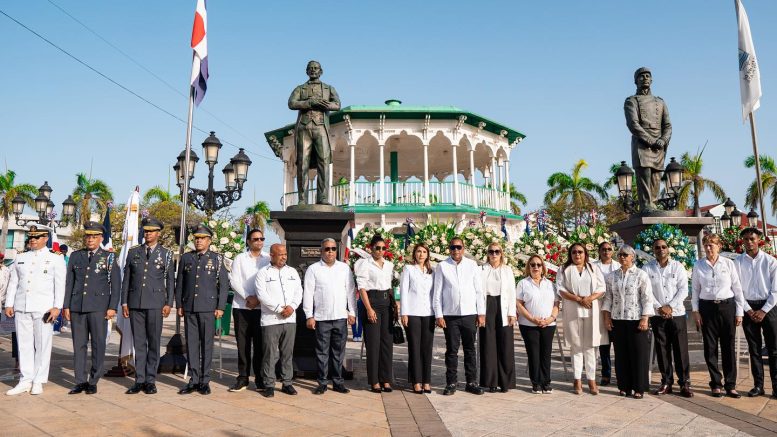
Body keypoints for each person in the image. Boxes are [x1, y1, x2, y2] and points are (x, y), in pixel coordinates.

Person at [4, 225, 65, 395]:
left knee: (42, 344)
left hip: (44, 308)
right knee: (24, 345)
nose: (33, 240)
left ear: (45, 238)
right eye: (30, 237)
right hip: (22, 306)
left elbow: (60, 285)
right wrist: (9, 303)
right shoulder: (21, 257)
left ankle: (38, 380)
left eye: (36, 237)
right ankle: (25, 380)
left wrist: (57, 307)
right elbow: (14, 283)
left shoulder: (55, 258)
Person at [63, 221, 121, 395]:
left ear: (101, 238)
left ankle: (93, 380)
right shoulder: (76, 256)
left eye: (94, 236)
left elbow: (116, 285)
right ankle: (80, 381)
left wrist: (112, 307)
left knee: (98, 345)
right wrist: (66, 305)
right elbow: (69, 282)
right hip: (77, 307)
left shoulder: (109, 257)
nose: (90, 239)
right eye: (88, 236)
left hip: (99, 308)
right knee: (79, 345)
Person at [120, 217, 175, 395]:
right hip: (136, 303)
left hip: (156, 304)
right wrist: (124, 301)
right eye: (146, 231)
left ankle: (150, 380)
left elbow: (170, 281)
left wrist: (169, 303)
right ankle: (139, 380)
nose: (148, 234)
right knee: (139, 343)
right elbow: (127, 279)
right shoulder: (134, 252)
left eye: (152, 231)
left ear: (158, 233)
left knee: (153, 342)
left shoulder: (166, 254)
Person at [175, 224, 229, 395]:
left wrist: (220, 307)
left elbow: (224, 285)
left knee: (206, 345)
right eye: (197, 238)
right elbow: (180, 283)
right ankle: (194, 379)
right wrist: (179, 305)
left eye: (202, 238)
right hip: (190, 307)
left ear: (209, 240)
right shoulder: (186, 258)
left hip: (208, 308)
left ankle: (205, 380)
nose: (199, 241)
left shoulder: (217, 259)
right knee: (191, 344)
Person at [692, 233, 746, 398]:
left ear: (719, 246)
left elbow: (737, 288)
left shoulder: (728, 263)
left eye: (712, 245)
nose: (708, 248)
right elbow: (695, 290)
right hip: (707, 309)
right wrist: (696, 312)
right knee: (710, 347)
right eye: (706, 245)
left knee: (728, 347)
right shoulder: (698, 265)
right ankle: (716, 383)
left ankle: (730, 385)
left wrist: (739, 312)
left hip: (727, 307)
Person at [303, 238, 357, 395]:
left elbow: (350, 292)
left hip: (340, 316)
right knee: (322, 352)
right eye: (327, 249)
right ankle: (322, 383)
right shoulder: (313, 269)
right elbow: (308, 293)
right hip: (321, 318)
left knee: (339, 352)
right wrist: (309, 315)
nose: (330, 252)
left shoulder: (344, 268)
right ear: (321, 251)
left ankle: (338, 382)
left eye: (333, 248)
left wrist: (352, 312)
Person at [433, 237, 486, 396]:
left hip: (469, 313)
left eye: (459, 247)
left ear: (464, 248)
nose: (456, 250)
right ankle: (451, 382)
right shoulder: (442, 266)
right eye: (453, 247)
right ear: (449, 249)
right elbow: (437, 292)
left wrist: (481, 313)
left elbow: (479, 291)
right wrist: (439, 314)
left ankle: (471, 382)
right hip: (450, 315)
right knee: (452, 350)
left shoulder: (472, 265)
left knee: (470, 349)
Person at [602, 245, 654, 399]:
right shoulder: (612, 276)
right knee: (621, 354)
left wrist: (645, 318)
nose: (622, 257)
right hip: (617, 319)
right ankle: (624, 386)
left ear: (632, 257)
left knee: (638, 354)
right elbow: (608, 298)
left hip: (636, 319)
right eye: (620, 255)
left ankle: (639, 387)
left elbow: (647, 298)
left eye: (625, 254)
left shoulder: (641, 275)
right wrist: (607, 317)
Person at [643, 238, 692, 397]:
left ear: (668, 248)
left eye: (663, 246)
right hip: (658, 315)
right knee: (662, 349)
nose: (661, 249)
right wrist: (659, 307)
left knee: (680, 350)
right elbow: (646, 292)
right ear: (653, 250)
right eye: (657, 247)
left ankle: (684, 383)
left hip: (676, 314)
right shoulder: (647, 268)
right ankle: (666, 382)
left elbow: (683, 289)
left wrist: (670, 306)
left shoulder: (677, 266)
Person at [556, 243, 607, 395]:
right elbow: (560, 289)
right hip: (573, 310)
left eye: (580, 252)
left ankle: (591, 379)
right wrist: (579, 299)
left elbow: (602, 288)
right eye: (574, 252)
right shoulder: (564, 269)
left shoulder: (593, 268)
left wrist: (589, 299)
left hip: (591, 310)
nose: (577, 254)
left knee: (590, 347)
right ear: (570, 254)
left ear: (585, 254)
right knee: (576, 346)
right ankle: (577, 379)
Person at [288, 60, 341, 205]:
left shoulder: (329, 88)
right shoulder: (300, 88)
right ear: (306, 71)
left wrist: (325, 105)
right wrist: (310, 103)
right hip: (304, 128)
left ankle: (323, 197)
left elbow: (337, 104)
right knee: (302, 163)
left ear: (320, 71)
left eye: (316, 68)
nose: (313, 70)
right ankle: (302, 198)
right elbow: (291, 103)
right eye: (310, 68)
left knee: (324, 161)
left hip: (321, 127)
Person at [735, 227, 777, 398]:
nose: (749, 242)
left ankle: (776, 386)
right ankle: (758, 386)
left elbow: (776, 290)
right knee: (754, 350)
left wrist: (764, 311)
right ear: (742, 241)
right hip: (749, 308)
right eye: (746, 239)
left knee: (774, 349)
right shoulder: (737, 262)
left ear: (759, 239)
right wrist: (748, 309)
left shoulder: (770, 261)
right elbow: (737, 289)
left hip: (769, 307)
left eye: (752, 238)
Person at [256, 244, 302, 398]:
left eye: (285, 254)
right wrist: (278, 309)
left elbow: (299, 292)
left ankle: (287, 382)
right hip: (271, 320)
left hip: (290, 318)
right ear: (272, 255)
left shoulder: (292, 272)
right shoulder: (263, 273)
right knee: (270, 354)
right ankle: (269, 384)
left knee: (287, 353)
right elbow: (261, 295)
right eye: (280, 254)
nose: (284, 257)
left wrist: (292, 307)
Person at [624, 66, 672, 211]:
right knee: (644, 174)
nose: (645, 78)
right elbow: (633, 124)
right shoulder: (632, 101)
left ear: (651, 80)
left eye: (647, 76)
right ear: (635, 81)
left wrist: (663, 140)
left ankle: (653, 204)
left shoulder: (660, 102)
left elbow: (667, 125)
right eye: (641, 76)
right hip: (642, 144)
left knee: (656, 176)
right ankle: (645, 205)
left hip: (659, 145)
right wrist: (649, 140)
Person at [227, 228, 270, 392]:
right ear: (248, 241)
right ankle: (243, 378)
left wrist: (258, 298)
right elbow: (234, 281)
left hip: (261, 308)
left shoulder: (268, 258)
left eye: (261, 239)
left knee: (260, 345)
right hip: (242, 307)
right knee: (243, 345)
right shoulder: (240, 258)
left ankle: (260, 379)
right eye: (255, 239)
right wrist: (248, 297)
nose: (259, 241)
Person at [354, 234, 395, 392]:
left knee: (386, 343)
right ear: (371, 248)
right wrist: (369, 309)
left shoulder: (389, 265)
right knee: (373, 343)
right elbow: (362, 287)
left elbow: (389, 286)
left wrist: (394, 305)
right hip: (372, 302)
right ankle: (374, 380)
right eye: (377, 248)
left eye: (383, 248)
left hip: (386, 303)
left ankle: (386, 379)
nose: (380, 251)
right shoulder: (365, 264)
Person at [516, 255, 560, 394]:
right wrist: (533, 319)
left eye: (538, 265)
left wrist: (550, 319)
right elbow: (519, 304)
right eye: (533, 265)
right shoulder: (523, 283)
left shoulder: (551, 284)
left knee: (546, 354)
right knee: (534, 354)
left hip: (548, 324)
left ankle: (546, 382)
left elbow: (556, 304)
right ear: (528, 267)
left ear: (543, 268)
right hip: (528, 325)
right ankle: (536, 383)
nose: (536, 267)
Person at [479, 241, 516, 393]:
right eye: (491, 251)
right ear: (487, 254)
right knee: (488, 344)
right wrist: (479, 313)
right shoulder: (481, 269)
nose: (494, 254)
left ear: (501, 254)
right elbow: (477, 292)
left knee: (505, 344)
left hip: (503, 307)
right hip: (487, 306)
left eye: (497, 251)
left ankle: (505, 382)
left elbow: (512, 292)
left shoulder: (507, 270)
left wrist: (512, 313)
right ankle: (491, 382)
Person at [399, 243, 435, 394]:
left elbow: (435, 293)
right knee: (415, 347)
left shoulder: (432, 271)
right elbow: (404, 291)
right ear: (414, 254)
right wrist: (404, 313)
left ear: (427, 254)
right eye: (419, 251)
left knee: (427, 348)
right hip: (413, 313)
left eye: (424, 252)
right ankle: (416, 381)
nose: (421, 254)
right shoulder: (408, 269)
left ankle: (426, 380)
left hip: (429, 313)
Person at [591, 241, 619, 386]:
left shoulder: (618, 265)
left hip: (617, 308)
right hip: (599, 306)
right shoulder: (593, 266)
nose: (606, 251)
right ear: (599, 251)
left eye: (609, 249)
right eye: (603, 249)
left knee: (618, 344)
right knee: (604, 343)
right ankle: (606, 373)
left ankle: (620, 373)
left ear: (612, 251)